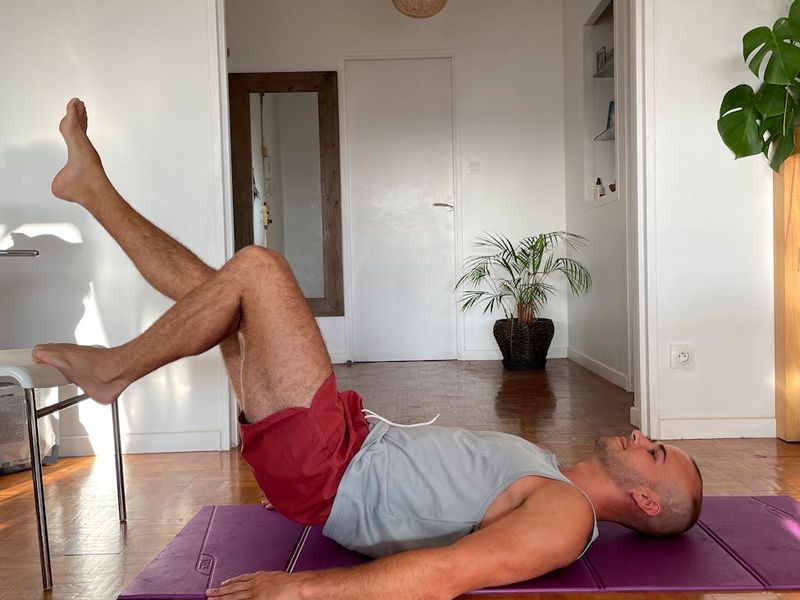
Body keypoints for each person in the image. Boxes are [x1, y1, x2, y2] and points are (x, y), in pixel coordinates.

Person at [33, 99, 703, 600]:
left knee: (259, 269)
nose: (643, 437)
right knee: (221, 297)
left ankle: (114, 370)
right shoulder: (553, 474)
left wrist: (299, 588)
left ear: (646, 502)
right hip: (340, 452)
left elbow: (445, 575)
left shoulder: (566, 517)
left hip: (333, 465)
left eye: (655, 454)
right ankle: (92, 189)